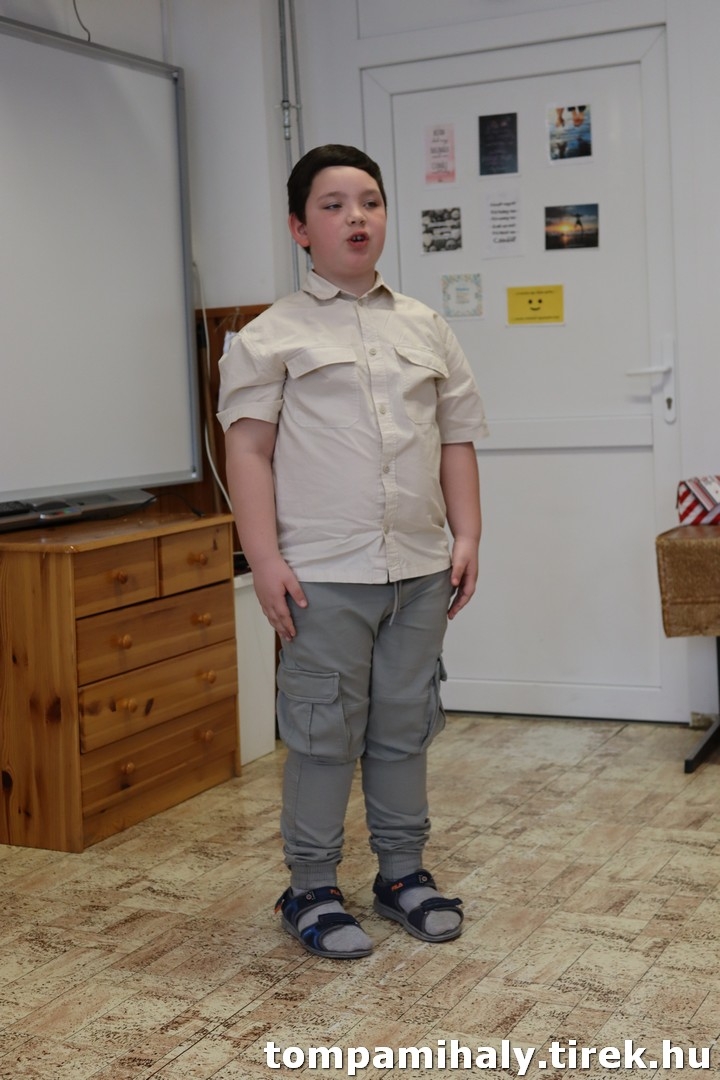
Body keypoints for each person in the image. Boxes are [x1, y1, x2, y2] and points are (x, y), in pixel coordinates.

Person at [217, 144, 488, 960]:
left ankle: (402, 874)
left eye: (369, 200)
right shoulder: (270, 336)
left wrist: (467, 535)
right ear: (300, 228)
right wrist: (264, 559)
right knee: (323, 733)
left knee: (406, 725)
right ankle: (310, 888)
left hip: (419, 568)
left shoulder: (426, 326)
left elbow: (456, 436)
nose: (356, 217)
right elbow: (248, 452)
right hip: (322, 575)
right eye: (333, 205)